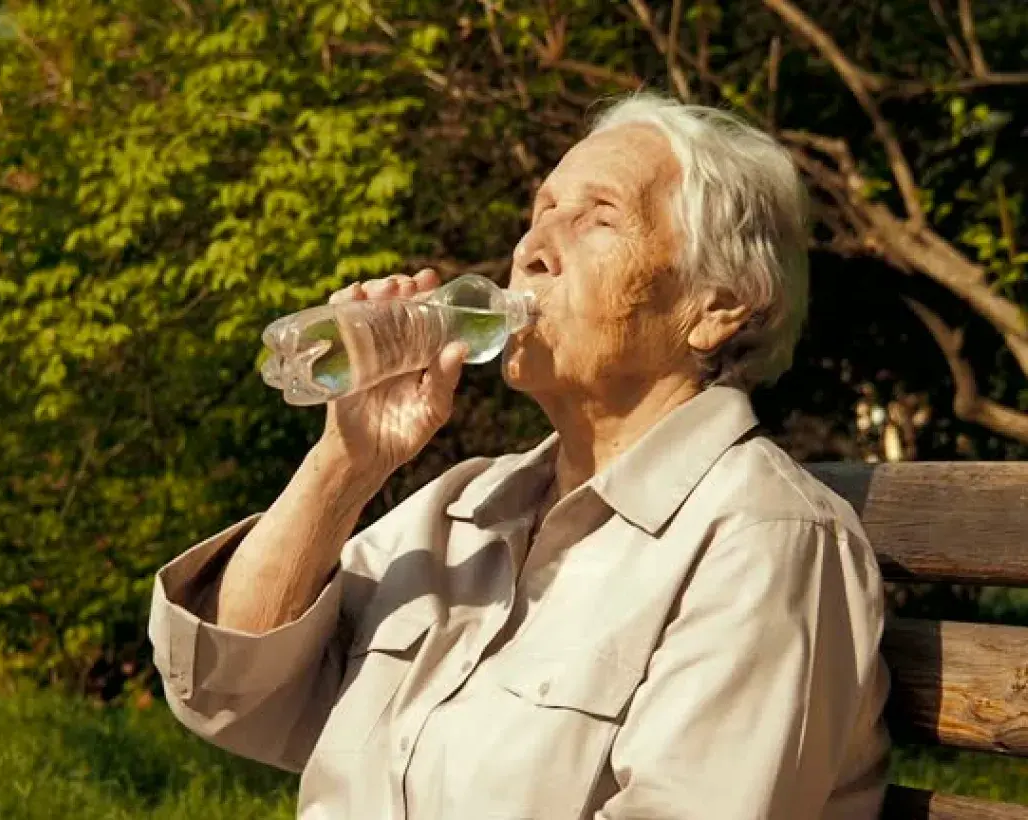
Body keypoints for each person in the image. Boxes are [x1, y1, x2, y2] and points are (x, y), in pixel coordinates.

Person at [148, 92, 890, 819]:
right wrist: (347, 463)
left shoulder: (761, 542)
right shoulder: (464, 507)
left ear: (717, 306)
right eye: (541, 213)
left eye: (598, 219)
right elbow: (227, 689)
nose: (532, 249)